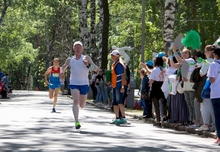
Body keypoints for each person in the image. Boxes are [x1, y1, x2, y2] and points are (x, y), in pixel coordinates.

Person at [60, 41, 99, 129]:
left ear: (82, 48)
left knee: (82, 105)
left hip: (84, 84)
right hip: (74, 83)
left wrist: (88, 65)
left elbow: (96, 70)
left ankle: (79, 111)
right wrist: (62, 72)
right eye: (76, 47)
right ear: (73, 48)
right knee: (75, 101)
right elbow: (62, 67)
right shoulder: (70, 59)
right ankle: (76, 121)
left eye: (79, 47)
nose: (77, 48)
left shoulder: (86, 58)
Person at [109, 49, 127, 124]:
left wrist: (122, 86)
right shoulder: (114, 64)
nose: (111, 56)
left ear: (117, 56)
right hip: (114, 85)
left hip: (118, 85)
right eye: (111, 55)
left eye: (113, 55)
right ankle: (117, 117)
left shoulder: (119, 64)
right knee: (115, 103)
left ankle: (123, 118)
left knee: (120, 102)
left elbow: (122, 76)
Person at [207, 46, 220, 145]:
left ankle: (219, 137)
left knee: (218, 116)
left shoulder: (214, 65)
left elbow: (211, 79)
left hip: (216, 93)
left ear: (215, 55)